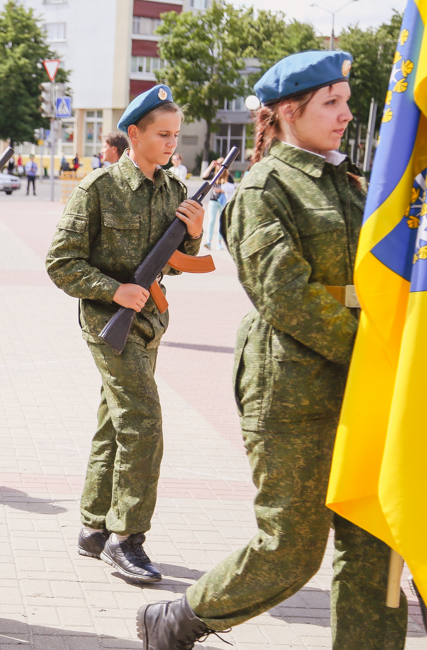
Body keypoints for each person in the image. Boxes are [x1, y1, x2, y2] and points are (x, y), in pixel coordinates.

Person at [136, 51, 408, 650]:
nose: (345, 114)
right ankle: (179, 618)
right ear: (288, 111)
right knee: (292, 547)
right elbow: (285, 294)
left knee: (375, 543)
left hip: (365, 386)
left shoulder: (356, 185)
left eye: (345, 100)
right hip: (294, 390)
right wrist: (374, 355)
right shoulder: (264, 188)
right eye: (330, 103)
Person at [46, 85, 204, 585]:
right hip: (106, 323)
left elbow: (176, 265)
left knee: (114, 423)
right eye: (162, 134)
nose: (171, 144)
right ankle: (126, 537)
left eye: (175, 135)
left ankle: (94, 526)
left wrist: (193, 234)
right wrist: (114, 290)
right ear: (133, 134)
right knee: (142, 422)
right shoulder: (98, 188)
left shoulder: (174, 190)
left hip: (149, 323)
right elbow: (61, 263)